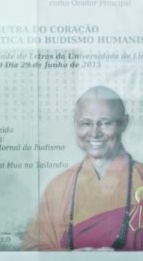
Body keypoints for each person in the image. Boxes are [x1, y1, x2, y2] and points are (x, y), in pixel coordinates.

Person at [23, 86, 141, 251]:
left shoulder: (140, 177)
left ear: (123, 123)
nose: (94, 133)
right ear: (75, 124)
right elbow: (32, 249)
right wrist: (69, 259)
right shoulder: (59, 187)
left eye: (105, 123)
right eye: (86, 123)